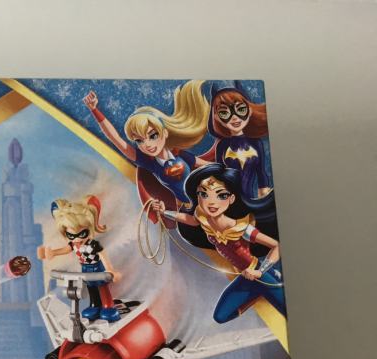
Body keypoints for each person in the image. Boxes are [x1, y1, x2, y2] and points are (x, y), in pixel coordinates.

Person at [149, 164, 285, 323]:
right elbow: (191, 220)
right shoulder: (203, 218)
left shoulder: (241, 228)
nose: (211, 202)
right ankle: (257, 294)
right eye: (204, 194)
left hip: (261, 274)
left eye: (221, 195)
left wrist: (260, 272)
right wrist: (164, 212)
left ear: (231, 199)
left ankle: (266, 286)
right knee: (220, 317)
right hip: (246, 277)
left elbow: (276, 246)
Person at [83, 81, 209, 210]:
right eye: (139, 141)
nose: (147, 144)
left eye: (153, 136)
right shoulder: (150, 164)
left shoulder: (180, 154)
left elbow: (208, 166)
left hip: (209, 199)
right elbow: (115, 138)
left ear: (165, 133)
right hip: (189, 209)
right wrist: (94, 110)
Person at [37, 195, 119, 322]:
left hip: (97, 268)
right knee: (91, 287)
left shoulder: (93, 244)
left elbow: (102, 254)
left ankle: (108, 306)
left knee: (102, 286)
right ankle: (95, 305)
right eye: (71, 235)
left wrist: (110, 269)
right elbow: (65, 250)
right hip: (85, 268)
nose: (77, 239)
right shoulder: (73, 245)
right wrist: (52, 253)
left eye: (82, 234)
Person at [205, 82, 272, 199]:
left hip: (251, 201)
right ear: (216, 117)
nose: (234, 117)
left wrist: (264, 198)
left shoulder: (256, 143)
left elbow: (261, 174)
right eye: (224, 112)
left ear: (249, 110)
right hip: (228, 201)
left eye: (240, 109)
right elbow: (219, 175)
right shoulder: (222, 145)